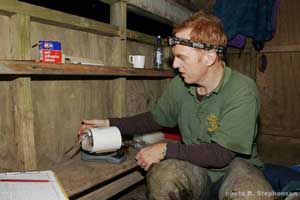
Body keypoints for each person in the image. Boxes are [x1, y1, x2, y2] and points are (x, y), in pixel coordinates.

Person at [78, 10, 274, 200]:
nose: (174, 65)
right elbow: (154, 119)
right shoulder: (180, 84)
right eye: (174, 57)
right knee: (164, 178)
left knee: (252, 193)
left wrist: (165, 149)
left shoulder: (242, 89)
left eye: (182, 58)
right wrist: (110, 123)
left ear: (209, 57)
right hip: (198, 168)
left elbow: (221, 154)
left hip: (236, 167)